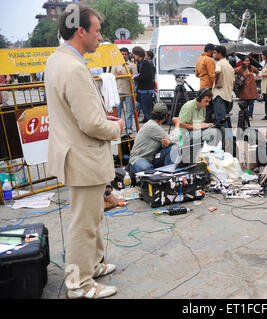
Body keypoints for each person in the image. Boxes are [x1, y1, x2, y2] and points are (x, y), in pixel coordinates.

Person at [45, 4, 124, 299]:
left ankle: (91, 264)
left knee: (91, 217)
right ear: (81, 31)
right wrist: (115, 128)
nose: (100, 37)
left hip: (76, 153)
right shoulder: (73, 67)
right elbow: (90, 123)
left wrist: (104, 119)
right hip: (82, 156)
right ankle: (79, 284)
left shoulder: (58, 60)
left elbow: (80, 113)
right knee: (84, 223)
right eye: (97, 31)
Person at [128, 103, 178, 173]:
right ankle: (165, 176)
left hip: (152, 158)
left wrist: (165, 144)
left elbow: (169, 141)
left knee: (174, 148)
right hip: (138, 160)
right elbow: (174, 139)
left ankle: (169, 173)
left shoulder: (154, 125)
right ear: (166, 116)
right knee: (148, 170)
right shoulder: (152, 126)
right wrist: (177, 124)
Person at [110, 48, 138, 133]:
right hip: (118, 91)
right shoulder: (115, 64)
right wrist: (117, 75)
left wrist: (124, 74)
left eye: (125, 54)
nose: (124, 56)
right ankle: (118, 128)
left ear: (128, 55)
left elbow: (135, 76)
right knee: (118, 112)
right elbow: (111, 76)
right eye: (122, 54)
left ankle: (129, 128)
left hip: (128, 91)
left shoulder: (132, 65)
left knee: (129, 111)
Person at [212, 45, 234, 129]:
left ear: (220, 54)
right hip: (227, 96)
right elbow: (233, 81)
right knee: (226, 120)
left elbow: (217, 72)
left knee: (221, 121)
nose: (213, 55)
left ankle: (225, 140)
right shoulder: (229, 65)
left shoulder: (220, 63)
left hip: (219, 95)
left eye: (214, 53)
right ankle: (229, 140)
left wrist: (217, 82)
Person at [132, 46, 155, 124]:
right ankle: (146, 118)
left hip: (146, 90)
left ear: (138, 54)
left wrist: (135, 78)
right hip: (142, 89)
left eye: (134, 54)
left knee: (147, 108)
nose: (133, 56)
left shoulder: (145, 63)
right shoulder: (140, 62)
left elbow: (146, 76)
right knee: (144, 107)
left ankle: (149, 123)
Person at [195, 43, 216, 123]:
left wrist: (203, 77)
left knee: (204, 107)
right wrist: (216, 85)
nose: (214, 54)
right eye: (213, 52)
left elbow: (197, 74)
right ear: (210, 51)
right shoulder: (209, 60)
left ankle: (203, 123)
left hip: (202, 86)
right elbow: (212, 75)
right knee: (209, 107)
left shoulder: (199, 59)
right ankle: (208, 124)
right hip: (209, 86)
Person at [234, 55, 259, 121]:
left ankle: (250, 115)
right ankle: (245, 115)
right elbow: (233, 71)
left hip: (252, 88)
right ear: (243, 61)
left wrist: (256, 78)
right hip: (244, 88)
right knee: (245, 103)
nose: (247, 62)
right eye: (246, 61)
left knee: (251, 103)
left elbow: (258, 72)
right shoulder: (240, 68)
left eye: (248, 61)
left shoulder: (252, 67)